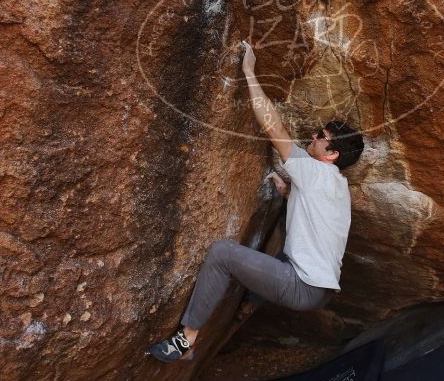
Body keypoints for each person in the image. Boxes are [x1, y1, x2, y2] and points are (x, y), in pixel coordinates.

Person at [146, 41, 365, 362]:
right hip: (319, 291)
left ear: (332, 154)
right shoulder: (338, 186)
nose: (315, 136)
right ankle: (249, 303)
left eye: (322, 137)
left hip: (300, 285)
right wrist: (289, 194)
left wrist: (249, 72)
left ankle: (187, 340)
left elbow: (272, 125)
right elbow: (321, 220)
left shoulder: (314, 173)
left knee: (221, 254)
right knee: (277, 252)